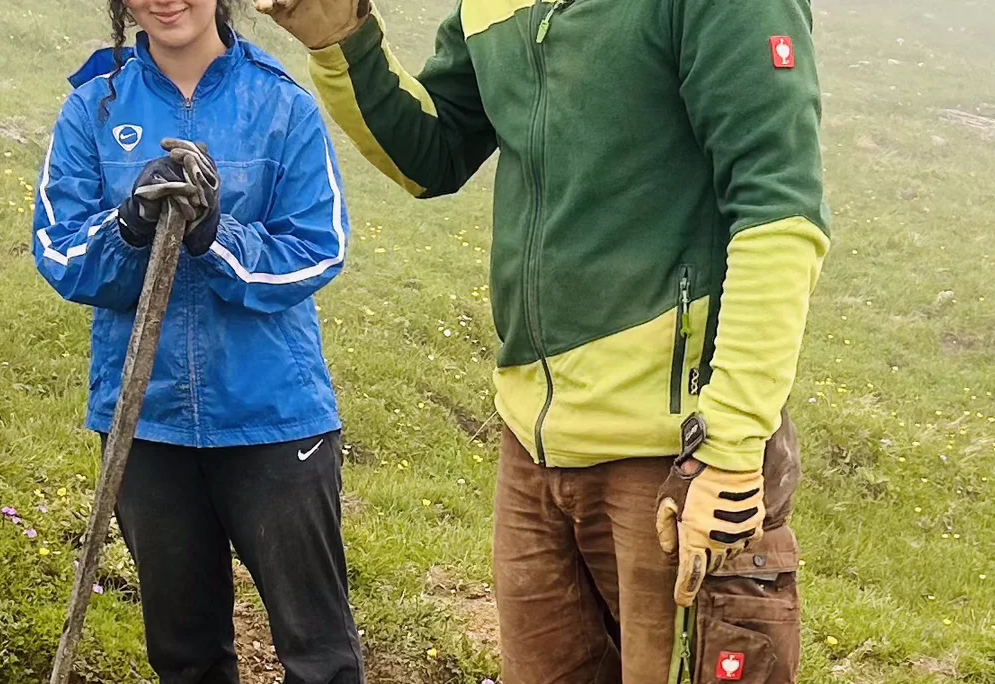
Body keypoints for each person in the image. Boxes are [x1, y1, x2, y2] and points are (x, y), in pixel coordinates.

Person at [258, 0, 829, 681]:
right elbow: (433, 153)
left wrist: (733, 447)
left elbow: (779, 211)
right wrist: (341, 40)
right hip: (532, 450)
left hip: (679, 456)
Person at [32, 2, 364, 683]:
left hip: (273, 416)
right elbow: (60, 252)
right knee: (185, 658)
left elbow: (318, 247)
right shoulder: (93, 108)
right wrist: (128, 226)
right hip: (146, 421)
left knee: (319, 655)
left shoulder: (281, 104)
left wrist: (216, 238)